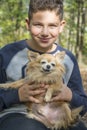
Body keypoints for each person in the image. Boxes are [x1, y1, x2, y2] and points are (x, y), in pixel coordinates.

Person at [0, 0, 87, 130]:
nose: (45, 32)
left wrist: (70, 95)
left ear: (61, 26)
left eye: (52, 26)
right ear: (28, 24)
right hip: (19, 114)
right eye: (38, 25)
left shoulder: (68, 59)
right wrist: (16, 95)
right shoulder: (8, 53)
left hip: (58, 114)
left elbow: (83, 105)